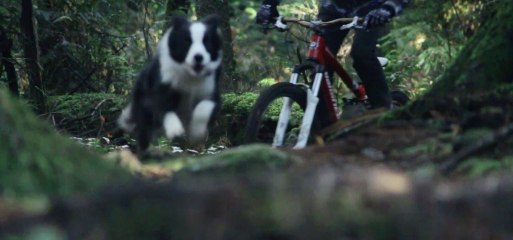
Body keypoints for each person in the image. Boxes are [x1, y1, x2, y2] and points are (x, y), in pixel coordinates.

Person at [256, 0, 409, 109]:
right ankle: (322, 124)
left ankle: (383, 110)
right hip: (333, 8)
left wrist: (388, 8)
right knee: (320, 60)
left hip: (371, 8)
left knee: (361, 53)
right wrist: (269, 5)